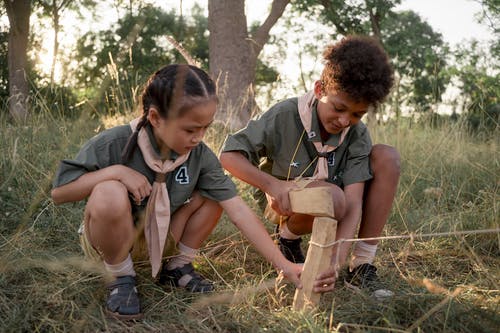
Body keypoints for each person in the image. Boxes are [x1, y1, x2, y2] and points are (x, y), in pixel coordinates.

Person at [51, 64, 303, 320]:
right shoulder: (113, 143)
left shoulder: (199, 156)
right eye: (190, 129)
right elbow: (60, 193)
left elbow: (237, 209)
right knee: (109, 191)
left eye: (205, 128)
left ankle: (177, 267)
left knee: (214, 194)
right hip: (111, 240)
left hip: (163, 239)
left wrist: (284, 265)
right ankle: (121, 276)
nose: (198, 138)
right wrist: (115, 171)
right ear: (155, 118)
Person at [220, 35, 400, 296]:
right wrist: (272, 184)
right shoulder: (285, 114)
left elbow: (353, 202)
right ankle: (287, 238)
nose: (344, 120)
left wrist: (337, 261)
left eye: (356, 114)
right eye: (339, 108)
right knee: (333, 196)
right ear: (319, 90)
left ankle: (362, 265)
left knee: (387, 157)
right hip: (284, 203)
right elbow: (228, 156)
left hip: (336, 202)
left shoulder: (357, 134)